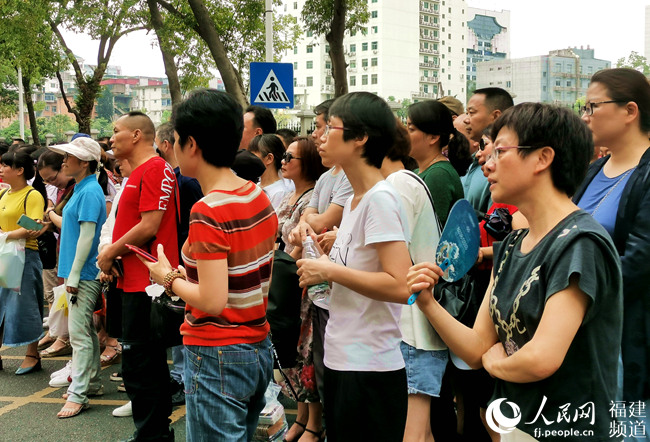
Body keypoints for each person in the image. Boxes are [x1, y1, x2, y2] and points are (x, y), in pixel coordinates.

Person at [408, 103, 623, 441]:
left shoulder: (580, 243)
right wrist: (428, 303)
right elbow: (479, 346)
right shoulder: (511, 245)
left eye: (500, 151)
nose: (486, 162)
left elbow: (540, 358)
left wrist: (496, 364)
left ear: (543, 158)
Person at [141, 89, 278, 441]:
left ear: (191, 144)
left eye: (173, 141)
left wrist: (167, 277)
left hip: (218, 350)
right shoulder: (254, 193)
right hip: (256, 345)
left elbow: (213, 300)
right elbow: (244, 272)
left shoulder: (209, 210)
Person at [297, 92, 412, 442]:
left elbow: (401, 287)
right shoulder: (355, 201)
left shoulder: (380, 199)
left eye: (330, 127)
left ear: (360, 138)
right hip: (344, 357)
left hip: (370, 367)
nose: (320, 136)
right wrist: (325, 261)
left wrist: (330, 271)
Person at [573, 67, 650, 438]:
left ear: (630, 111)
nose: (585, 116)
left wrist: (572, 296)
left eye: (593, 106)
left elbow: (638, 263)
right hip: (585, 337)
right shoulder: (595, 169)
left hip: (628, 340)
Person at [97, 111, 179, 442]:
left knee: (143, 367)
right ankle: (152, 433)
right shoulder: (136, 173)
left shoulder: (156, 168)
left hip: (148, 286)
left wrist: (110, 252)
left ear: (135, 136)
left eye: (116, 131)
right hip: (128, 281)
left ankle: (155, 435)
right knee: (137, 367)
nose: (111, 137)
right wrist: (113, 256)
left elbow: (149, 225)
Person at [380, 120, 447, 442]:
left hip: (413, 329)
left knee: (413, 433)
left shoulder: (399, 184)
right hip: (414, 328)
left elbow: (394, 254)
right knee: (421, 432)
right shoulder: (399, 182)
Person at [288, 98, 352, 418]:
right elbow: (308, 218)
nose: (317, 136)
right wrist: (309, 222)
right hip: (322, 287)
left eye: (323, 128)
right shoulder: (327, 177)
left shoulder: (361, 184)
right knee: (320, 363)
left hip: (338, 291)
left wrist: (310, 223)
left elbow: (322, 218)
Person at [45, 137, 107, 418]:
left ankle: (79, 392)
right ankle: (89, 384)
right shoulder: (85, 187)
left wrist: (74, 273)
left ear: (84, 163)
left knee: (80, 335)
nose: (64, 161)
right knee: (86, 333)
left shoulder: (89, 191)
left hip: (83, 273)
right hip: (79, 272)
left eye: (69, 157)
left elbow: (87, 236)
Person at [274, 136, 327, 442]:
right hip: (286, 272)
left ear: (305, 162)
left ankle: (314, 423)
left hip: (303, 277)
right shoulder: (288, 196)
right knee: (293, 350)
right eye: (282, 155)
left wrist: (285, 263)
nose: (283, 161)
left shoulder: (310, 198)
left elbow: (307, 241)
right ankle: (302, 416)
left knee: (307, 351)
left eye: (288, 157)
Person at [155, 121, 203, 407]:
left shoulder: (184, 181)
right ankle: (180, 375)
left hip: (185, 261)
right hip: (177, 259)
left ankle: (184, 377)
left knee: (183, 318)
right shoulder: (173, 178)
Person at [0, 150, 46, 374]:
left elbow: (35, 226)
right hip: (4, 255)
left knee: (26, 305)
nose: (1, 169)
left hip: (25, 256)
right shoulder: (3, 194)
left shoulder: (32, 195)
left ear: (20, 170)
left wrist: (6, 235)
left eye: (6, 165)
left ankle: (32, 354)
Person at [36, 150, 75, 360]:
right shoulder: (65, 189)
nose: (52, 184)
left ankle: (64, 339)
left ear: (65, 166)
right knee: (62, 295)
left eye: (53, 178)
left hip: (77, 255)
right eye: (46, 181)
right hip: (64, 249)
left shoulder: (81, 189)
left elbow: (70, 224)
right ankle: (61, 335)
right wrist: (49, 224)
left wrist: (50, 214)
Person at [407, 100, 465, 227]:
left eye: (411, 129)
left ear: (433, 137)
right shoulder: (419, 172)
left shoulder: (438, 175)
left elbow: (429, 231)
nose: (406, 134)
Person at [462, 87, 514, 217]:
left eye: (471, 113)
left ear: (496, 116)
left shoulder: (509, 170)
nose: (466, 120)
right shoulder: (475, 160)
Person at [248, 134, 294, 209]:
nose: (248, 159)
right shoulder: (256, 186)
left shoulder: (280, 193)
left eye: (253, 156)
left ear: (269, 158)